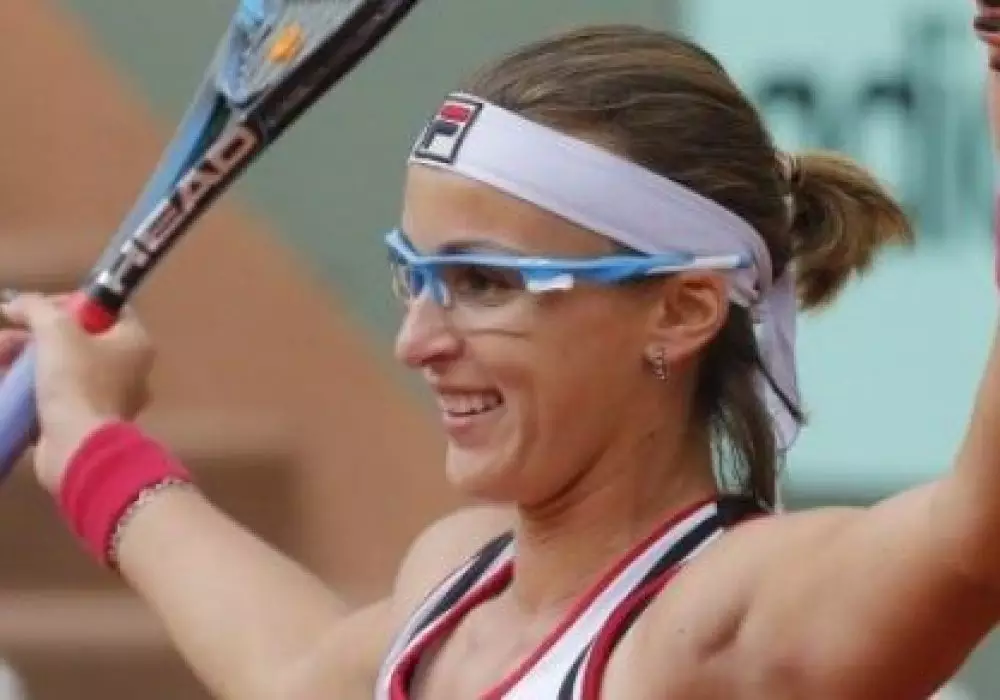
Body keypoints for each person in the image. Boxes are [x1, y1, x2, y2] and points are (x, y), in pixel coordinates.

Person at [4, 16, 1000, 700]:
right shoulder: (453, 580)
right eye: (417, 276)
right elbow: (293, 670)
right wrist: (87, 436)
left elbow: (975, 533)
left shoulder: (726, 619)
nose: (418, 342)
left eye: (485, 283)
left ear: (681, 309)